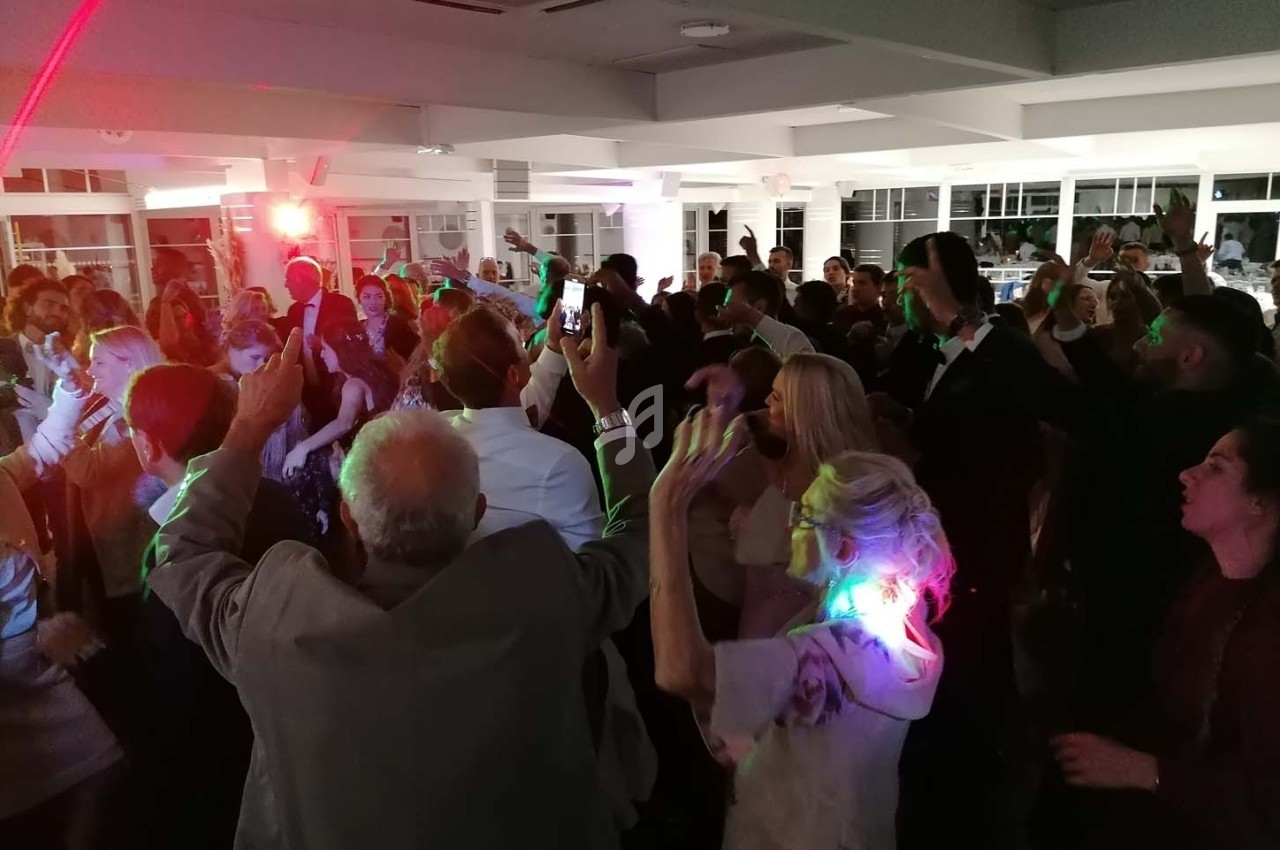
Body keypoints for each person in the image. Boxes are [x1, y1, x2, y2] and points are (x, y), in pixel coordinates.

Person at [147, 315, 655, 849]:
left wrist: (248, 428)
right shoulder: (545, 594)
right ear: (476, 512)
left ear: (347, 516)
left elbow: (182, 551)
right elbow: (640, 528)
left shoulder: (272, 621)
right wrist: (607, 409)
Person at [651, 414, 952, 850]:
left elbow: (682, 670)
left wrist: (666, 510)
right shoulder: (901, 615)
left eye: (806, 517)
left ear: (845, 549)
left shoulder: (824, 659)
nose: (792, 525)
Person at [1052, 419, 1280, 850]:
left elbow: (1267, 809)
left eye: (1216, 466)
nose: (1186, 473)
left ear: (1260, 502)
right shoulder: (1209, 581)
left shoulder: (1268, 636)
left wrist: (1141, 769)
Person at [118, 363, 311, 850]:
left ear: (148, 446)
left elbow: (174, 696)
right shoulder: (277, 499)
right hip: (288, 751)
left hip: (217, 783)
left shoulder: (167, 554)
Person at [0, 379, 122, 849]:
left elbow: (43, 449)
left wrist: (69, 395)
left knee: (101, 769)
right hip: (9, 677)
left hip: (28, 666)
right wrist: (31, 636)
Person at [433, 305, 600, 548]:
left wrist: (555, 345)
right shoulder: (559, 466)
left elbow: (524, 405)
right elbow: (595, 564)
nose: (526, 349)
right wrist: (606, 405)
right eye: (520, 344)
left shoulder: (438, 436)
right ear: (514, 375)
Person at [282, 320, 398, 476]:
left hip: (377, 461)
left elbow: (344, 423)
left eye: (325, 349)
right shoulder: (377, 370)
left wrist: (303, 448)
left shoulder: (354, 384)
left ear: (340, 351)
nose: (322, 354)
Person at [275, 256, 358, 423]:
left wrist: (326, 346)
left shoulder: (341, 304)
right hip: (307, 392)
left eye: (288, 279)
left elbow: (355, 339)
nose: (285, 285)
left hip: (338, 387)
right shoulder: (294, 310)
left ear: (305, 280)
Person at [720, 271, 814, 358]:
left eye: (732, 306)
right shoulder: (737, 347)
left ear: (759, 307)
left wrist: (749, 315)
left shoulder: (792, 342)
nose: (726, 313)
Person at [145, 281, 217, 367]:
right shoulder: (157, 350)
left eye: (185, 316)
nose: (185, 322)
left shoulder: (203, 342)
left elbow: (225, 360)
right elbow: (169, 343)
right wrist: (165, 303)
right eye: (177, 319)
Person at [356, 274, 418, 361]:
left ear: (386, 298)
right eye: (367, 297)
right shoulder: (358, 328)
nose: (373, 302)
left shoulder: (398, 327)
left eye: (379, 296)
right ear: (359, 299)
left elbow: (415, 359)